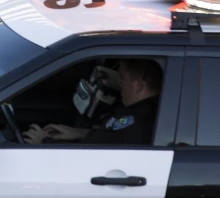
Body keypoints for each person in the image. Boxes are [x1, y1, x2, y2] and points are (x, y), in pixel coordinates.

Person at [23, 59, 162, 146]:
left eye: (122, 79)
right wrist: (78, 133)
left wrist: (43, 141)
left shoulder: (135, 123)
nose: (120, 84)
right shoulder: (143, 111)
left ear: (138, 85)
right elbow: (108, 134)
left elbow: (83, 156)